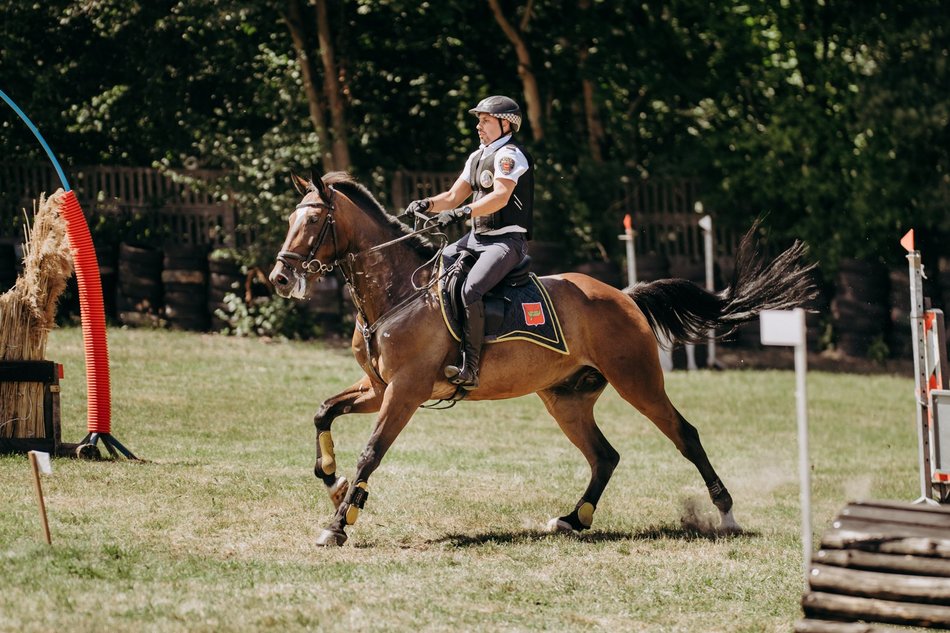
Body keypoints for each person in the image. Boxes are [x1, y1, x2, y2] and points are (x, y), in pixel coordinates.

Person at [404, 95, 534, 391]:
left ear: (505, 124)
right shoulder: (477, 157)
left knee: (471, 289)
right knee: (434, 274)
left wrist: (463, 212)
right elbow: (451, 197)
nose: (479, 126)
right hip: (475, 239)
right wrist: (426, 203)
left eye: (485, 120)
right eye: (479, 120)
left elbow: (500, 196)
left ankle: (471, 367)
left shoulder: (509, 155)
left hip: (506, 243)